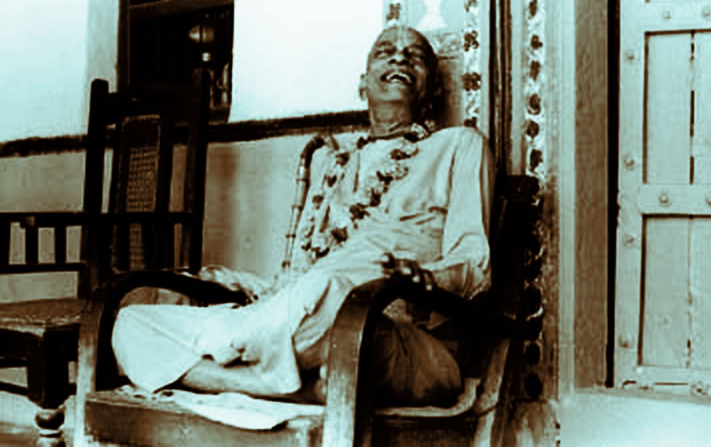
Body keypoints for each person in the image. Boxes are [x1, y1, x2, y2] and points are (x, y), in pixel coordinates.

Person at [112, 26, 495, 407]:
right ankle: (298, 387)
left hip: (392, 332)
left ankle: (224, 362)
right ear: (363, 84)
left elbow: (475, 266)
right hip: (310, 318)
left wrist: (425, 277)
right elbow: (295, 280)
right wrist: (239, 281)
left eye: (416, 55)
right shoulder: (335, 163)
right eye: (385, 51)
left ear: (433, 90)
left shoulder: (460, 146)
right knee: (131, 322)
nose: (399, 57)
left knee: (328, 289)